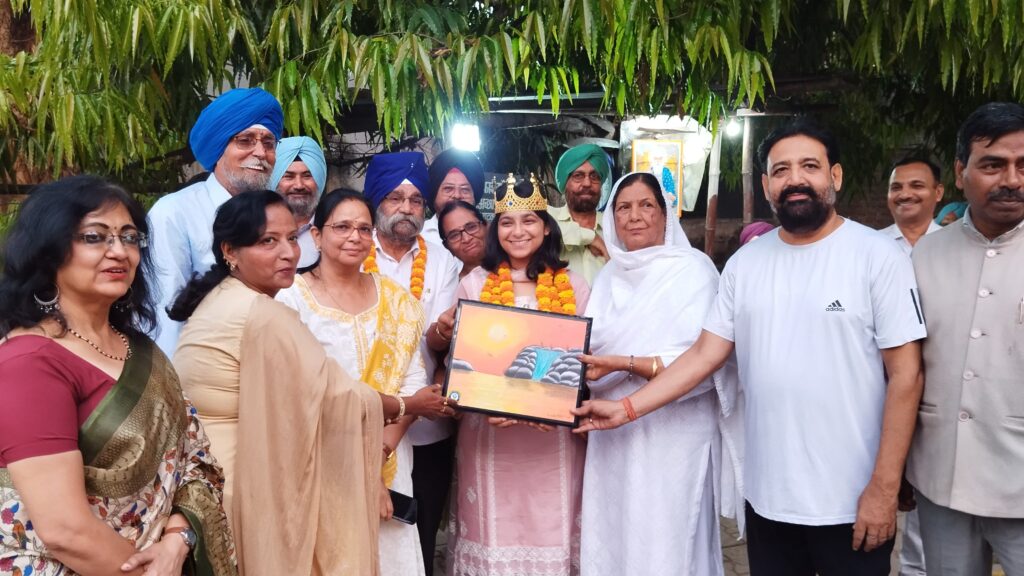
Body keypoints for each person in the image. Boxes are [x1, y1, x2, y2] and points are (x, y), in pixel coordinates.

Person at [576, 119, 926, 576]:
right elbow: (704, 356)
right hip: (767, 498)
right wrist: (624, 409)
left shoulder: (877, 256)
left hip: (852, 498)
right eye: (781, 170)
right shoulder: (745, 264)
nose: (795, 179)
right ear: (766, 185)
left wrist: (885, 486)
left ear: (835, 176)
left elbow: (906, 376)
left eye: (809, 166)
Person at [167, 190, 420, 575]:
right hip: (239, 482)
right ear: (230, 250)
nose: (288, 253)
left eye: (290, 238)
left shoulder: (225, 295)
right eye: (268, 241)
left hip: (209, 473)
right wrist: (408, 406)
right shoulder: (263, 313)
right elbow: (338, 397)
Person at [0, 176, 234, 575]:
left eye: (129, 237)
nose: (120, 251)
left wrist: (178, 539)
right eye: (95, 237)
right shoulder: (29, 362)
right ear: (48, 250)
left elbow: (195, 462)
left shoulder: (140, 349)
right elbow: (65, 531)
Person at [275, 189, 454, 576]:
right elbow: (301, 392)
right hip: (321, 458)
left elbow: (412, 386)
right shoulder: (291, 300)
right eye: (342, 227)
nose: (354, 237)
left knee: (390, 554)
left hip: (391, 455)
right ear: (317, 235)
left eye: (362, 228)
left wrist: (378, 455)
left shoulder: (397, 300)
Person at [575, 172, 740, 575]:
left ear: (665, 216)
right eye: (623, 208)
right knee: (615, 530)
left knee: (669, 535)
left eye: (646, 205)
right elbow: (591, 351)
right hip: (612, 432)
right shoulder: (608, 277)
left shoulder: (694, 271)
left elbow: (705, 361)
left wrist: (625, 364)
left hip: (674, 432)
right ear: (612, 218)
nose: (634, 216)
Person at [444, 173, 590, 576]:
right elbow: (460, 361)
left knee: (552, 529)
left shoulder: (574, 287)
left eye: (529, 221)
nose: (518, 231)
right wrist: (482, 402)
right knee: (494, 534)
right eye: (507, 222)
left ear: (547, 227)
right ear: (496, 230)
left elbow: (585, 362)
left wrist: (558, 405)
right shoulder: (474, 285)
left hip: (553, 439)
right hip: (490, 434)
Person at [907, 102, 1024, 575]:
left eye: (1023, 166)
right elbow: (907, 367)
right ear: (960, 173)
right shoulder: (925, 255)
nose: (1011, 180)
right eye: (993, 165)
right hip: (942, 478)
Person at [363, 151, 461, 574]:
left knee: (418, 528)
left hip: (426, 425)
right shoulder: (354, 247)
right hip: (361, 417)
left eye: (416, 200)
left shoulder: (442, 261)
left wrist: (442, 330)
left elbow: (433, 341)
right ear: (376, 201)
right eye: (395, 197)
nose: (406, 208)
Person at [149, 87, 283, 355]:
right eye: (245, 140)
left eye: (268, 143)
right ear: (219, 148)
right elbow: (164, 314)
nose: (260, 152)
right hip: (200, 366)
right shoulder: (174, 212)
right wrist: (176, 381)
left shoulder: (276, 214)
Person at [549, 144, 612, 284]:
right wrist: (592, 238)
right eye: (578, 176)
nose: (587, 183)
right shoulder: (548, 218)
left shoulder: (614, 227)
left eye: (594, 176)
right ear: (565, 183)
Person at [268, 136, 328, 268]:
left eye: (307, 176)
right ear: (274, 179)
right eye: (289, 177)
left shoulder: (334, 227)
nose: (299, 185)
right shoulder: (257, 227)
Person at [423, 148, 485, 254]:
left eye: (465, 190)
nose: (457, 195)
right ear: (434, 194)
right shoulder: (417, 235)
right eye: (448, 189)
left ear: (474, 197)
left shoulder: (490, 238)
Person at [882, 156, 944, 255]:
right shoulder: (871, 244)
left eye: (917, 186)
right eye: (896, 188)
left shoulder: (955, 244)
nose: (905, 195)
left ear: (938, 193)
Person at [437, 200, 488, 278]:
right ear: (447, 247)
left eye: (471, 227)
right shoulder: (451, 284)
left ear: (486, 225)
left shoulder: (508, 263)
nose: (467, 239)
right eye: (454, 235)